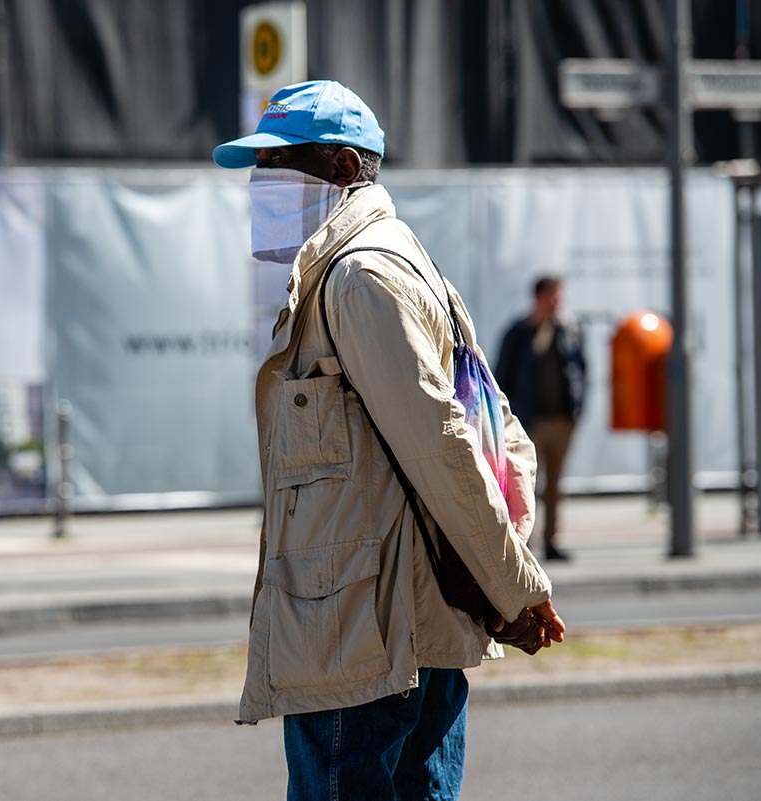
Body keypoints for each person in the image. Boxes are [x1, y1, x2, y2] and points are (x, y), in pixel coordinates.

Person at [213, 79, 565, 801]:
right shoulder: (385, 262)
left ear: (343, 168)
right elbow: (493, 428)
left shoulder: (359, 276)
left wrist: (515, 586)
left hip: (368, 646)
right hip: (391, 630)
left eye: (278, 164)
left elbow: (448, 443)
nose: (260, 185)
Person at [495, 277, 587, 561]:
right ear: (539, 297)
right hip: (529, 424)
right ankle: (525, 542)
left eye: (560, 296)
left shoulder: (568, 330)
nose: (558, 302)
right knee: (525, 484)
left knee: (555, 486)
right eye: (553, 296)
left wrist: (576, 410)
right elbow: (502, 376)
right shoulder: (519, 332)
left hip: (562, 421)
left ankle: (551, 542)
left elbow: (582, 371)